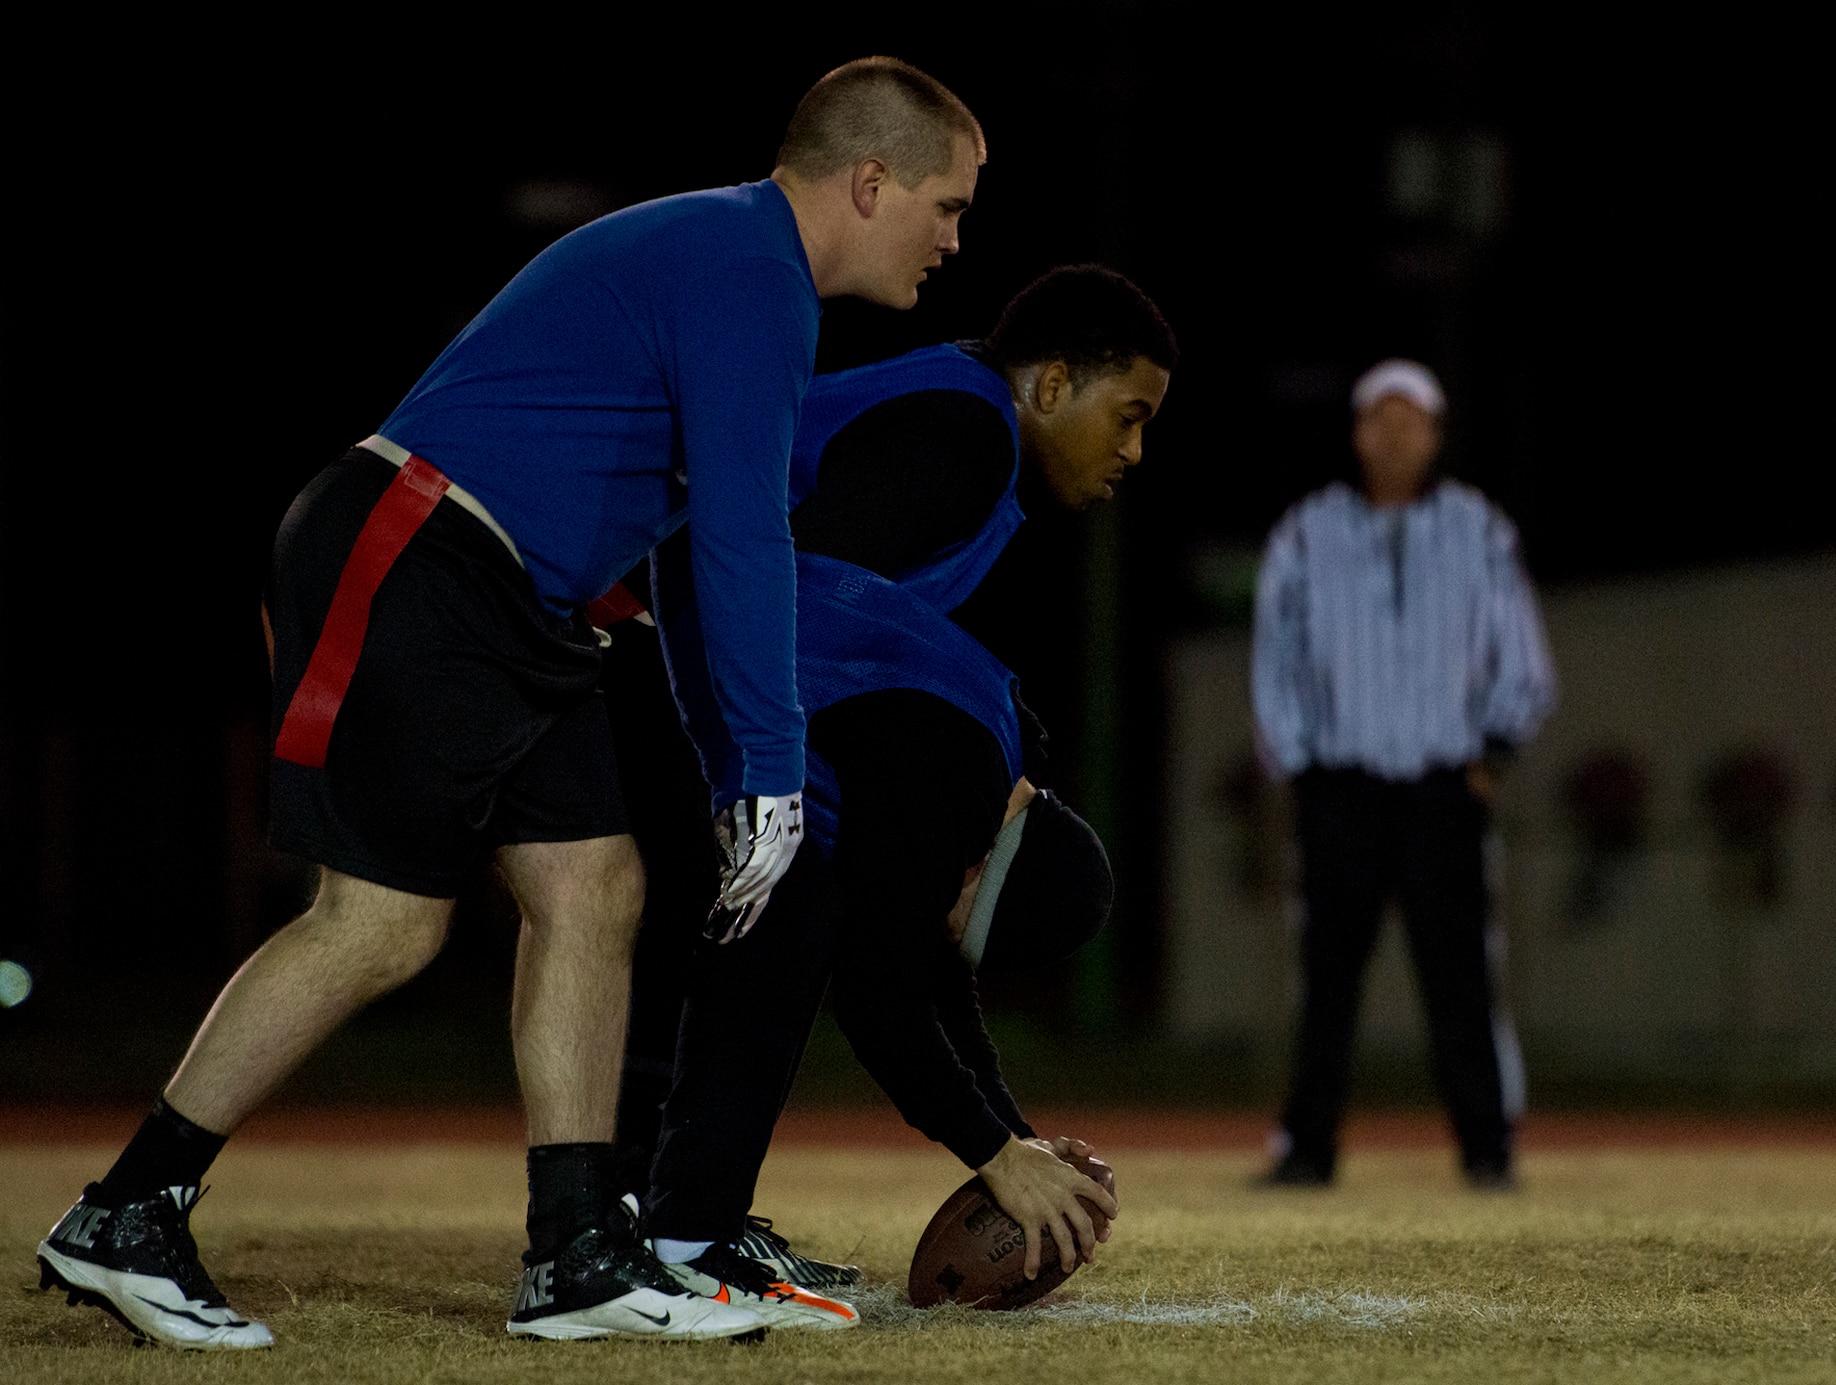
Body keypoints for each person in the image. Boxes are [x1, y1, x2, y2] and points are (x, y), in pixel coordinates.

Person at [36, 57, 985, 1349]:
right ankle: (127, 1208)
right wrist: (766, 759)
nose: (953, 236)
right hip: (421, 555)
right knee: (379, 922)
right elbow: (742, 536)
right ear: (869, 179)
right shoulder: (748, 266)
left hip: (501, 594)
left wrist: (743, 745)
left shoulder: (734, 260)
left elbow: (670, 529)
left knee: (595, 888)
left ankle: (576, 1254)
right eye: (947, 202)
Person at [600, 266, 1174, 1303]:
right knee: (775, 909)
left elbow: (919, 954)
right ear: (1049, 386)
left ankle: (676, 1217)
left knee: (781, 907)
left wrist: (1009, 1133)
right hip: (663, 637)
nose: (1134, 450)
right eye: (1127, 416)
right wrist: (994, 1149)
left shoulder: (967, 440)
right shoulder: (966, 435)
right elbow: (787, 579)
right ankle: (658, 1220)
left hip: (692, 646)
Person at [1250, 358, 1556, 1190]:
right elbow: (1274, 660)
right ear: (1356, 432)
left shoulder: (1478, 530)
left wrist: (1493, 753)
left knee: (1461, 979)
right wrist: (1300, 763)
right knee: (1326, 982)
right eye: (1379, 416)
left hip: (1439, 788)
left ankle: (1489, 1149)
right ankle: (1307, 1149)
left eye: (1410, 417)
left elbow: (1520, 653)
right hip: (1341, 786)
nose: (1393, 432)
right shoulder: (1308, 533)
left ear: (1434, 432)